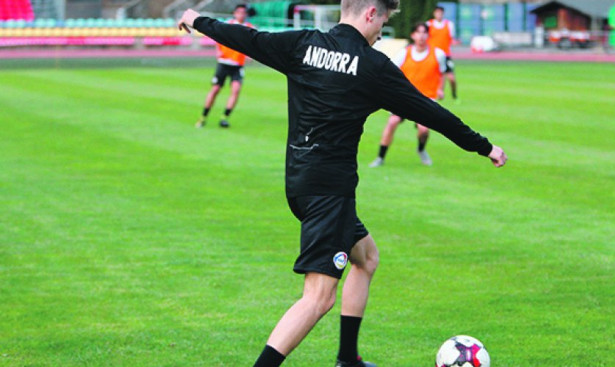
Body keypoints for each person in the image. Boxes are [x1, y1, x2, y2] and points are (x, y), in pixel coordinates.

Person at [178, 0, 507, 365]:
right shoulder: (372, 67)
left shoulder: (302, 44)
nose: (381, 31)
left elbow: (244, 38)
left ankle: (347, 358)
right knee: (318, 297)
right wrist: (484, 146)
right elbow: (431, 113)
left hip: (301, 183)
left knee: (366, 258)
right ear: (370, 13)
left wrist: (196, 19)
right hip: (328, 193)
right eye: (382, 21)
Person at [370, 22, 446, 167]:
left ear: (428, 35)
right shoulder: (405, 53)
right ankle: (380, 157)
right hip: (405, 97)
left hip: (425, 98)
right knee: (392, 123)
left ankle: (421, 149)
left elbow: (442, 73)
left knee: (423, 130)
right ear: (413, 35)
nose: (421, 36)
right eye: (418, 32)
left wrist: (440, 89)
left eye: (424, 33)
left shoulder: (438, 54)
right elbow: (392, 71)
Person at [195, 4, 254, 128]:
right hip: (224, 62)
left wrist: (251, 55)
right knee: (215, 90)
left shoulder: (249, 28)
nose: (241, 15)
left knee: (236, 90)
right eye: (239, 12)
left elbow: (252, 44)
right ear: (235, 13)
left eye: (244, 12)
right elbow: (217, 37)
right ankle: (203, 117)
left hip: (237, 65)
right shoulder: (228, 24)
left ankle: (224, 118)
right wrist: (218, 50)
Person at [427, 6, 459, 101]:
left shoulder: (449, 25)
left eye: (440, 13)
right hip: (432, 56)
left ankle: (454, 95)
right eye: (437, 12)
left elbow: (451, 39)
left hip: (446, 55)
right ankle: (437, 93)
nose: (439, 15)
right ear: (434, 13)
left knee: (451, 78)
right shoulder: (429, 24)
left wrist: (455, 42)